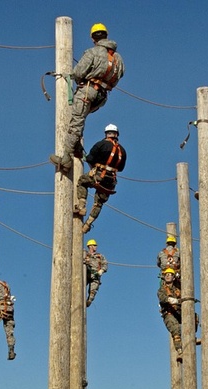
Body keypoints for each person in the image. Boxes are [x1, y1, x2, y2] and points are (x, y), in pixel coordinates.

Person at [49, 23, 124, 171]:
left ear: (92, 38)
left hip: (88, 92)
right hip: (102, 97)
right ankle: (75, 145)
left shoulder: (93, 52)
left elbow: (78, 73)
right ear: (106, 36)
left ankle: (65, 159)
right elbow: (120, 74)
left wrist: (74, 78)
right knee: (80, 119)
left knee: (75, 122)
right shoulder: (118, 58)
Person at [75, 124, 127, 233]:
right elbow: (121, 168)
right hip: (111, 181)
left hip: (98, 175)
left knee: (82, 182)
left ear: (106, 134)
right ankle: (88, 224)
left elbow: (89, 158)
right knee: (98, 203)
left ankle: (81, 207)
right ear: (117, 134)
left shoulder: (101, 144)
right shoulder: (122, 151)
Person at [157, 268, 200, 359]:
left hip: (179, 311)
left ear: (173, 277)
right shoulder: (162, 290)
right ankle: (180, 351)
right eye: (166, 274)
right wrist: (171, 300)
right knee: (175, 328)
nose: (168, 276)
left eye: (170, 274)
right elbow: (162, 298)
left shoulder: (179, 287)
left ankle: (193, 337)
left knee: (194, 317)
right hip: (169, 313)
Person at [83, 239, 108, 307]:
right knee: (80, 286)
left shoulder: (100, 256)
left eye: (95, 245)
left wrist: (102, 270)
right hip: (86, 274)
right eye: (94, 245)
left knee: (93, 292)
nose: (95, 247)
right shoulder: (85, 254)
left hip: (96, 275)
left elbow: (105, 264)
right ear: (90, 246)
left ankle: (88, 302)